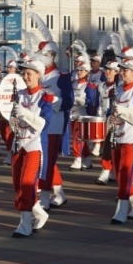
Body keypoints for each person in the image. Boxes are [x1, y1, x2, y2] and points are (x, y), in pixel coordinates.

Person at [9, 57, 54, 237]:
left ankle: (25, 224)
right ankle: (40, 213)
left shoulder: (46, 97)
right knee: (17, 185)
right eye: (24, 73)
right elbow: (14, 118)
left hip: (35, 145)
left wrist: (25, 114)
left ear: (38, 76)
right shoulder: (19, 94)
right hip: (18, 143)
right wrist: (13, 121)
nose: (25, 76)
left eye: (29, 73)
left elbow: (45, 123)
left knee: (27, 184)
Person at [107, 58, 133, 224]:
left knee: (126, 175)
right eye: (122, 69)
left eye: (126, 69)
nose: (122, 72)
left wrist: (124, 112)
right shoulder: (118, 90)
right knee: (119, 176)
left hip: (131, 139)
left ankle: (122, 210)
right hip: (116, 137)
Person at [37, 41, 74, 209]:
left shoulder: (61, 76)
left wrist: (52, 101)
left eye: (44, 54)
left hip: (54, 124)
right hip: (38, 124)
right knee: (44, 160)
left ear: (52, 56)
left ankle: (44, 197)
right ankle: (59, 193)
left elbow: (68, 102)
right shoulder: (38, 74)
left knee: (46, 161)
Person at [69, 55, 98, 170]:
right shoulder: (74, 83)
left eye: (82, 71)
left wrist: (79, 101)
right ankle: (87, 159)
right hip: (73, 114)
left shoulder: (89, 85)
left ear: (87, 72)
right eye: (78, 70)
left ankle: (78, 159)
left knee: (78, 138)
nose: (79, 72)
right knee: (80, 138)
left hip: (82, 115)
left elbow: (91, 102)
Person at [95, 60, 119, 185]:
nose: (107, 72)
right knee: (107, 146)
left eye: (110, 70)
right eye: (106, 69)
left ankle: (106, 171)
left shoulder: (118, 87)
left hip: (114, 120)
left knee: (109, 147)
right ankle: (112, 171)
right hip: (102, 118)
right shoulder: (102, 85)